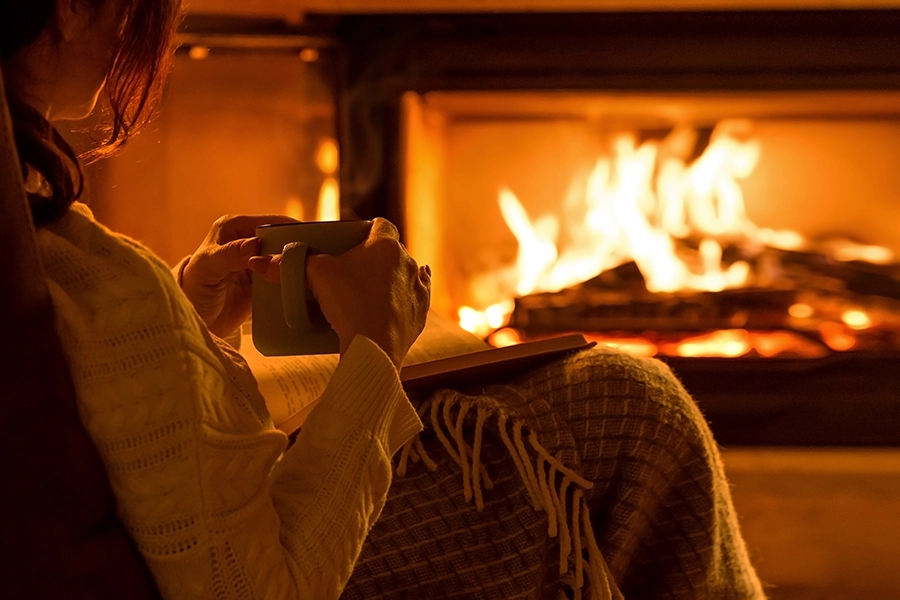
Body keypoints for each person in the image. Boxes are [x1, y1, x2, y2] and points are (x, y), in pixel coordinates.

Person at [1, 1, 766, 598]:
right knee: (630, 408)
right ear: (69, 5)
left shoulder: (46, 242)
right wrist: (374, 349)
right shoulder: (84, 265)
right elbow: (260, 589)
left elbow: (65, 389)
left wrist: (185, 320)